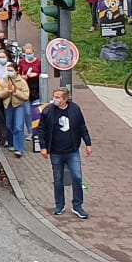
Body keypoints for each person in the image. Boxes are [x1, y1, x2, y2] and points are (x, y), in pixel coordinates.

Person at [38, 86, 91, 219]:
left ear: (65, 99)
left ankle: (77, 205)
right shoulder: (48, 111)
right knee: (58, 179)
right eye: (54, 96)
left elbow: (82, 126)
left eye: (58, 97)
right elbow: (41, 129)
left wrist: (88, 143)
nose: (55, 99)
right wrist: (43, 147)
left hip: (72, 151)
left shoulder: (75, 109)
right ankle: (59, 205)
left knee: (77, 177)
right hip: (56, 151)